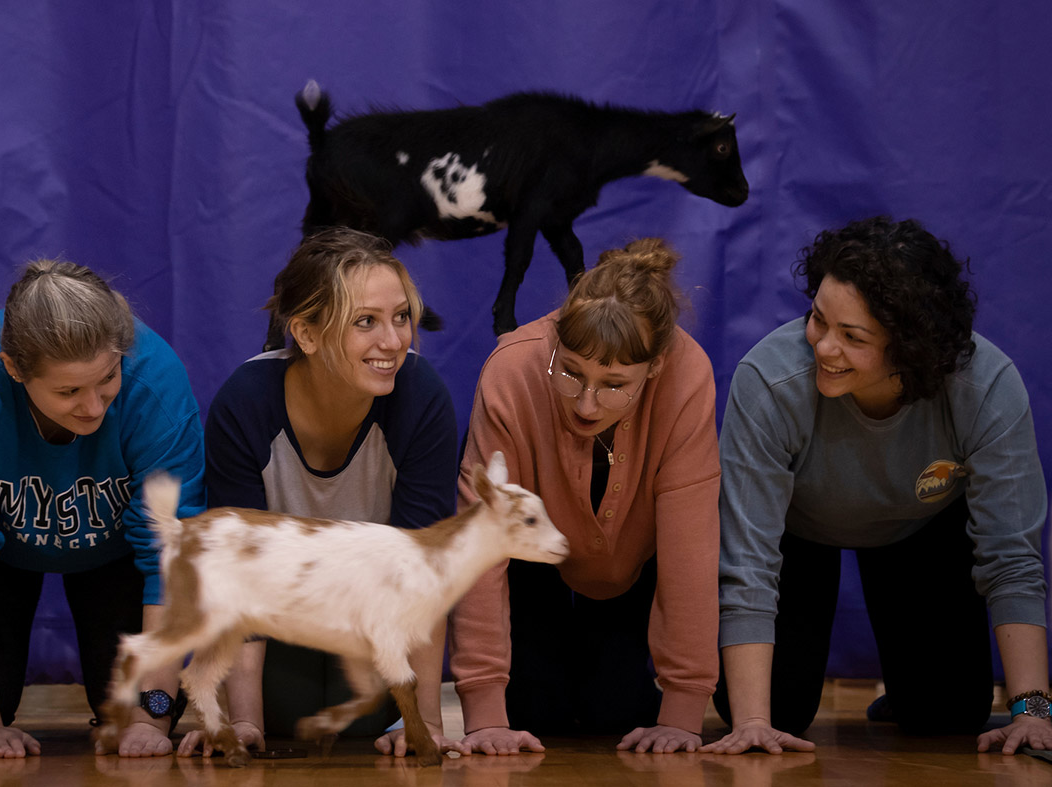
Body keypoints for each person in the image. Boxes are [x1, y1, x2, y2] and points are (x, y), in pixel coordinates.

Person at [708, 216, 1051, 755]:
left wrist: (1033, 708)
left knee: (950, 715)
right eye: (818, 319)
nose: (823, 347)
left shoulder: (985, 386)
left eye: (853, 337)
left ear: (912, 349)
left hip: (921, 529)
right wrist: (751, 722)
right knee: (776, 710)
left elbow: (1011, 556)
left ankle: (916, 688)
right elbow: (747, 558)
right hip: (797, 531)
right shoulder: (769, 380)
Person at [179, 227, 462, 759]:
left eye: (401, 316)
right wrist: (242, 722)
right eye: (365, 322)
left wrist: (422, 722)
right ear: (306, 334)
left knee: (364, 721)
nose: (394, 340)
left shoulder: (422, 400)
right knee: (293, 714)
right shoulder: (246, 402)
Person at [0, 260, 205, 759]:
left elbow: (169, 556)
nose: (93, 406)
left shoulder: (156, 379)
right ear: (13, 368)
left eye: (108, 378)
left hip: (116, 556)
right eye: (69, 391)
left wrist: (150, 717)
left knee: (144, 710)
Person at [450, 238, 720, 755]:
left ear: (655, 367)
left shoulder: (687, 375)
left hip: (632, 564)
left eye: (615, 384)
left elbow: (691, 549)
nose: (588, 405)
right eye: (571, 373)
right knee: (534, 715)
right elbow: (479, 546)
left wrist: (684, 713)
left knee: (615, 717)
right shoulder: (511, 370)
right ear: (555, 344)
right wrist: (483, 711)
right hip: (531, 557)